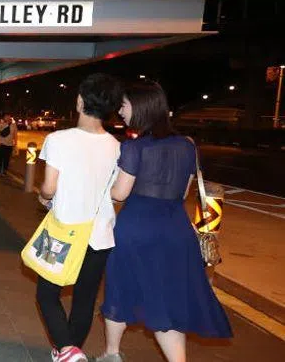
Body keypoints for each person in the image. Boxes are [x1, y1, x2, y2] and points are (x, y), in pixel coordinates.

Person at [97, 82, 232, 362]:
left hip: (137, 228)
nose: (120, 111)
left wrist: (102, 187)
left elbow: (120, 194)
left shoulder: (134, 147)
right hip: (175, 229)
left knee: (122, 288)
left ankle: (111, 354)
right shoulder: (187, 146)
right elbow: (182, 193)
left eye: (124, 105)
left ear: (141, 106)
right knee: (167, 298)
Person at [36, 73, 123, 362]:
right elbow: (116, 193)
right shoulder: (116, 145)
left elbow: (49, 188)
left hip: (64, 232)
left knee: (47, 294)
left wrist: (43, 197)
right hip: (100, 235)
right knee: (84, 299)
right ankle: (70, 351)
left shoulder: (58, 140)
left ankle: (67, 350)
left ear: (80, 101)